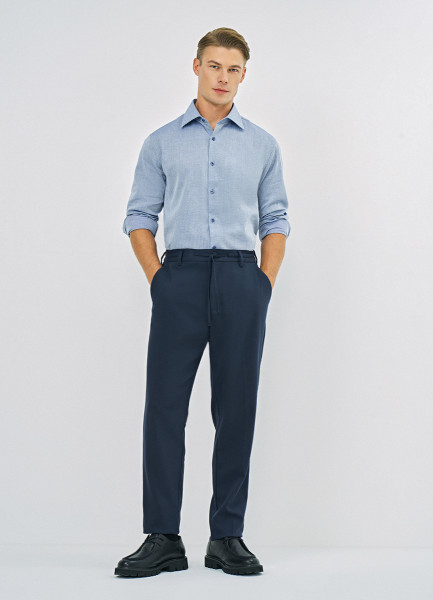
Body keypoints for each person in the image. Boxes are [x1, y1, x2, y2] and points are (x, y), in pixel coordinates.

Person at [114, 27, 290, 578]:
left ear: (243, 75)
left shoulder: (262, 145)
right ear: (196, 67)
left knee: (236, 409)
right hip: (180, 276)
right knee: (164, 408)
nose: (223, 77)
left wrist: (263, 283)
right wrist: (158, 279)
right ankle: (163, 536)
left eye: (233, 69)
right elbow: (139, 215)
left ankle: (226, 536)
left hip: (241, 278)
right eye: (214, 66)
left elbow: (276, 218)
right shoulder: (161, 142)